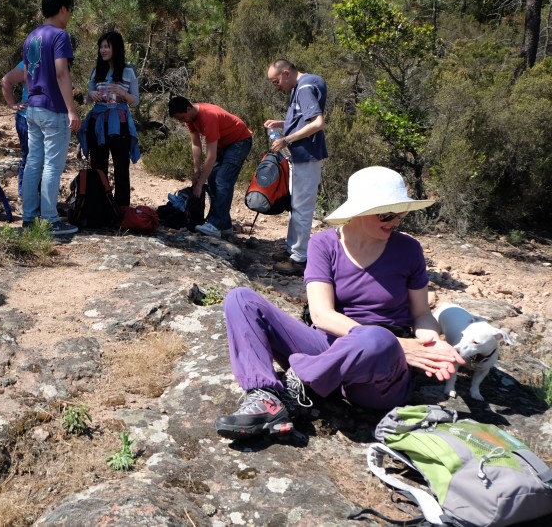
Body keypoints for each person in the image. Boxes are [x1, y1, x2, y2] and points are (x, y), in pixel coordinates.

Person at [214, 166, 463, 440]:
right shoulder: (324, 244)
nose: (395, 222)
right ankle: (265, 396)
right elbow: (321, 316)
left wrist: (430, 343)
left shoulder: (408, 249)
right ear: (359, 210)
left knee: (376, 339)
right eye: (387, 214)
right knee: (241, 299)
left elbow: (421, 313)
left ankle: (297, 383)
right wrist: (402, 346)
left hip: (379, 369)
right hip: (328, 347)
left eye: (401, 215)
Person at [21, 0, 81, 235]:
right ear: (63, 9)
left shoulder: (31, 37)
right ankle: (50, 220)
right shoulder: (59, 36)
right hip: (53, 108)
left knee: (33, 162)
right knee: (52, 166)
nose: (69, 16)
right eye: (69, 10)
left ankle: (28, 218)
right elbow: (61, 72)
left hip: (33, 107)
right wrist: (71, 109)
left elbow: (26, 74)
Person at [265, 59, 327, 270]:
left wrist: (286, 139)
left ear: (286, 73)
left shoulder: (305, 88)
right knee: (296, 205)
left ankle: (299, 259)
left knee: (302, 207)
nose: (276, 86)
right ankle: (292, 249)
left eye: (275, 81)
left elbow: (318, 123)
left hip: (307, 155)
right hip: (301, 155)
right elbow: (304, 119)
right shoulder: (300, 87)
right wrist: (282, 124)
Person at [168, 96, 251, 237]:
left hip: (239, 142)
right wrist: (197, 171)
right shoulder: (190, 118)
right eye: (179, 120)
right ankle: (225, 226)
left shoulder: (208, 116)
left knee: (223, 180)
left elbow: (211, 156)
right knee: (212, 179)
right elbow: (196, 144)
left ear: (188, 109)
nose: (182, 122)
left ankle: (215, 224)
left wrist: (200, 184)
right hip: (223, 144)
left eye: (182, 118)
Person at [79, 31, 139, 208]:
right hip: (97, 124)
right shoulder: (97, 71)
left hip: (119, 125)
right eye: (101, 47)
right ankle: (101, 208)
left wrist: (122, 93)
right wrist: (92, 94)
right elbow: (87, 97)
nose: (103, 50)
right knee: (98, 168)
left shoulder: (129, 71)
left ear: (117, 48)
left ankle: (122, 210)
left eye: (107, 46)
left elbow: (135, 101)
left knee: (121, 168)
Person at [0, 60, 29, 195]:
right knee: (28, 157)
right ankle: (24, 195)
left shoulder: (56, 61)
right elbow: (6, 81)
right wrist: (12, 104)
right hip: (26, 118)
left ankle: (39, 197)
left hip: (47, 120)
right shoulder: (26, 64)